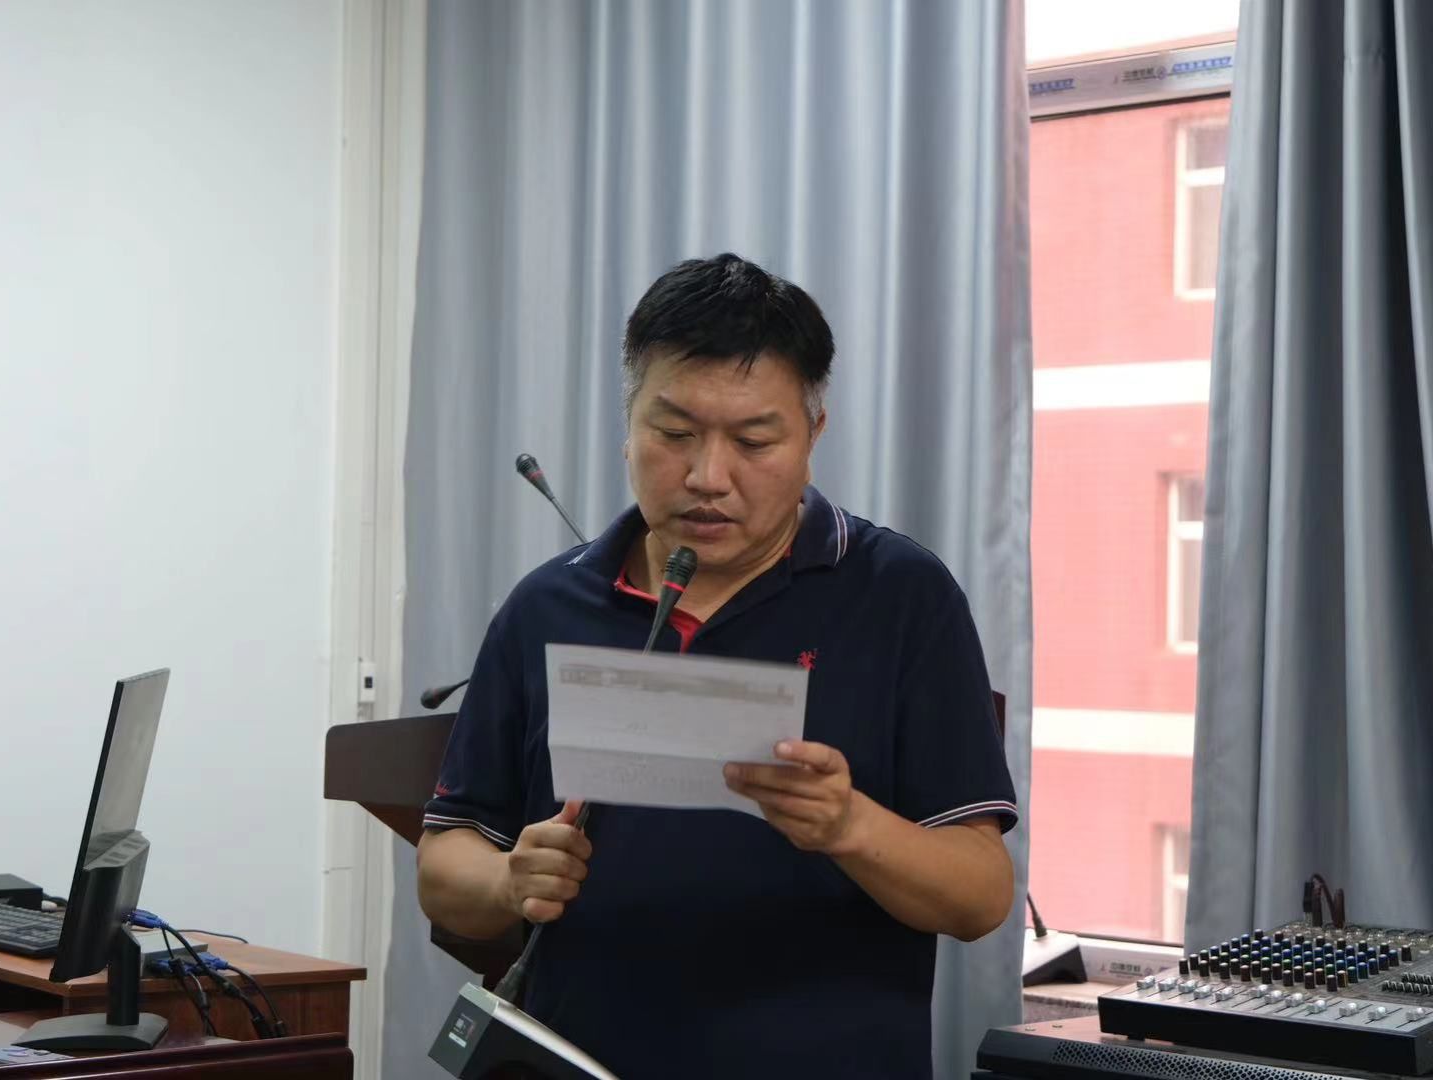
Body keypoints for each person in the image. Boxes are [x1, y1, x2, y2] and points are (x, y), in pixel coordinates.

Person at [417, 253, 1017, 1080]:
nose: (707, 477)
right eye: (673, 434)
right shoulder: (547, 607)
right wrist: (507, 881)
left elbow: (981, 896)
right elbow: (446, 862)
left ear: (813, 435)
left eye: (753, 441)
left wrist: (850, 826)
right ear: (628, 424)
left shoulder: (901, 595)